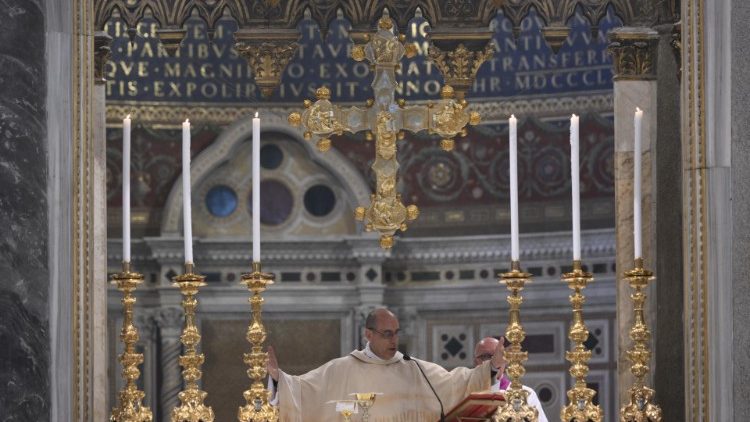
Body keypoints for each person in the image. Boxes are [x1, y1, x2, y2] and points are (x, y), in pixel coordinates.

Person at [267, 308, 505, 422]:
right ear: (368, 335)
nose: (394, 340)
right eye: (387, 334)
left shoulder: (415, 370)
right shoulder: (341, 369)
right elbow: (303, 392)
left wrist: (491, 367)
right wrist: (278, 378)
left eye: (396, 334)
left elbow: (458, 382)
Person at [474, 337, 549, 422]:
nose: (494, 360)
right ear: (475, 362)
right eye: (486, 356)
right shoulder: (465, 392)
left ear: (505, 361)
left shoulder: (526, 394)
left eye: (498, 355)